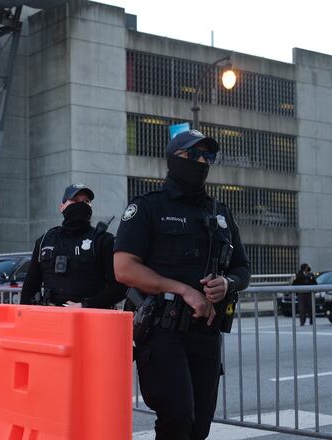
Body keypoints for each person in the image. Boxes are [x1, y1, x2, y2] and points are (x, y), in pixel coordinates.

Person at [114, 129, 251, 440]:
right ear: (172, 160)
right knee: (177, 418)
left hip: (206, 332)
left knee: (199, 425)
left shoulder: (220, 213)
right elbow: (123, 269)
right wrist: (184, 290)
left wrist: (227, 284)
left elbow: (242, 268)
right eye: (192, 155)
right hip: (163, 331)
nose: (201, 161)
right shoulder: (148, 207)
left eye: (207, 156)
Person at [20, 183, 127, 308]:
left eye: (86, 201)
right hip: (51, 319)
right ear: (62, 207)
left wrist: (85, 305)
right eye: (75, 200)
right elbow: (30, 287)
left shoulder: (103, 240)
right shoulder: (45, 240)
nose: (81, 205)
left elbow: (120, 287)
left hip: (91, 320)